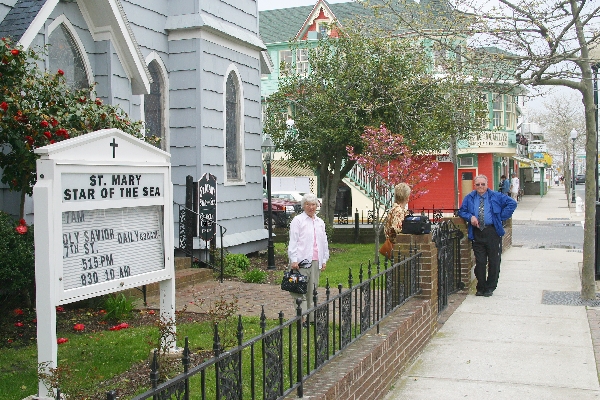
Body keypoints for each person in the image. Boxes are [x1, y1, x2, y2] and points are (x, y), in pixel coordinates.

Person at [458, 175, 517, 297]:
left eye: (483, 184)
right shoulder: (469, 198)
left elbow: (512, 203)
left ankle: (490, 287)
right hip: (477, 232)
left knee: (494, 261)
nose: (480, 187)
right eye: (478, 184)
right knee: (480, 262)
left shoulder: (496, 196)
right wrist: (470, 217)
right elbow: (462, 211)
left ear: (487, 184)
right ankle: (481, 286)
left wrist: (500, 217)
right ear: (475, 185)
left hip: (492, 232)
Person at [288, 193, 329, 326]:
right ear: (303, 206)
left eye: (313, 204)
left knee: (312, 290)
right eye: (307, 204)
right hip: (301, 262)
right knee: (300, 291)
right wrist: (293, 259)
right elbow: (293, 241)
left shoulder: (320, 222)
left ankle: (311, 318)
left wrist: (324, 260)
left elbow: (324, 242)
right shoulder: (298, 221)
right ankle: (302, 318)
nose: (311, 207)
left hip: (315, 261)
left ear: (317, 206)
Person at [383, 183, 411, 256]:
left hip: (393, 245)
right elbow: (397, 229)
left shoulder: (393, 209)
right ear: (407, 197)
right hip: (397, 247)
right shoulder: (398, 211)